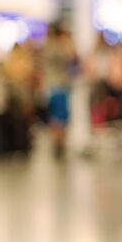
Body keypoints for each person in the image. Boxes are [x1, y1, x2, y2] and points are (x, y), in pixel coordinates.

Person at [42, 22, 76, 158]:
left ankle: (58, 143)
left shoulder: (47, 46)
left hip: (53, 85)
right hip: (59, 85)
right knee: (60, 116)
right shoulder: (58, 46)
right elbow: (71, 58)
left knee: (56, 116)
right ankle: (59, 143)